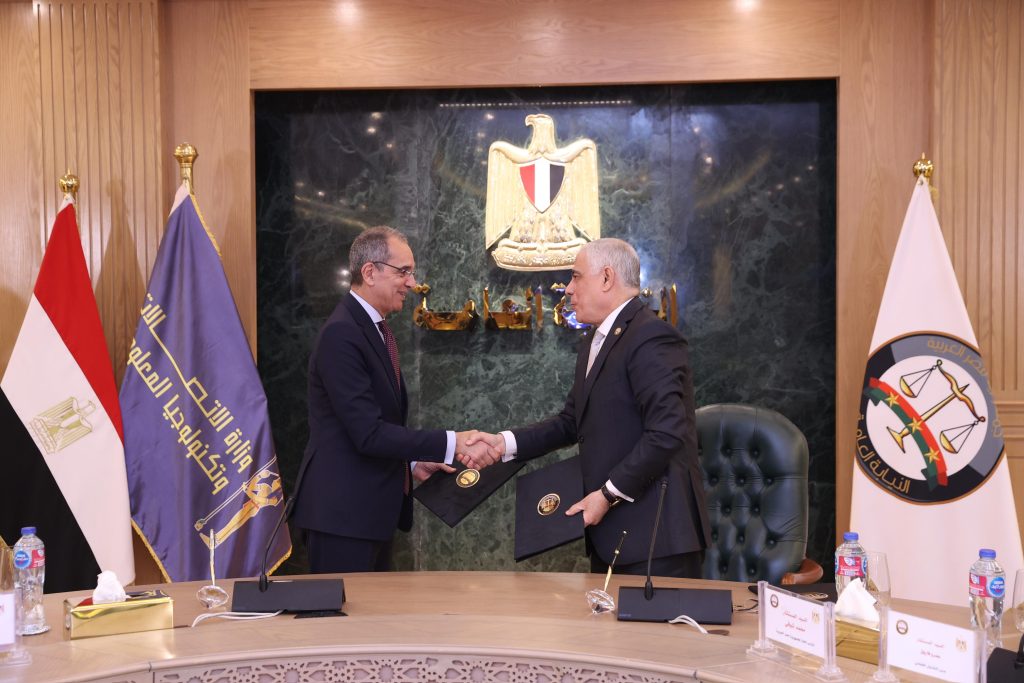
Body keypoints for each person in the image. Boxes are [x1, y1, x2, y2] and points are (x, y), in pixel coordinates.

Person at [468, 238, 711, 577]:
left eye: (576, 276)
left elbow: (667, 432)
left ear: (607, 278)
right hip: (613, 537)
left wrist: (607, 495)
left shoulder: (650, 336)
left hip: (657, 541)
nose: (568, 289)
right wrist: (503, 443)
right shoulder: (595, 340)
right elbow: (571, 422)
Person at [292, 226, 497, 573]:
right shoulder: (342, 334)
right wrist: (452, 442)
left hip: (368, 515)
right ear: (370, 272)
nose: (412, 283)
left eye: (411, 272)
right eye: (403, 272)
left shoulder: (374, 329)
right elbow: (368, 433)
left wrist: (412, 464)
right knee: (344, 611)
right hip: (342, 518)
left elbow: (377, 424)